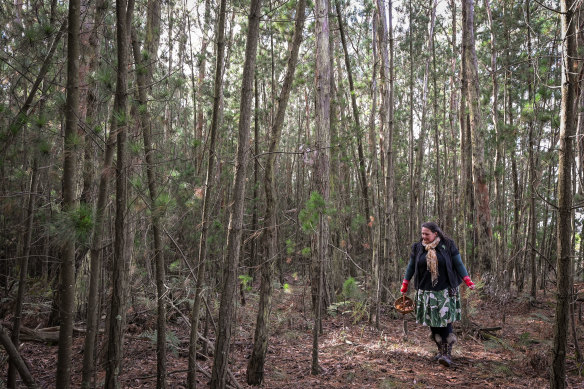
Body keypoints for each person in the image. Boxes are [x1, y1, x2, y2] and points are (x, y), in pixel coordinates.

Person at [400, 221, 475, 367]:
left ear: (435, 233)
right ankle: (440, 351)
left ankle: (447, 354)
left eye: (427, 234)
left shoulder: (447, 245)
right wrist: (405, 282)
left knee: (445, 321)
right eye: (422, 234)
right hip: (426, 291)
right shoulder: (417, 248)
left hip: (445, 291)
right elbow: (411, 266)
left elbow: (458, 263)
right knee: (432, 322)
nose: (424, 236)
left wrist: (467, 280)